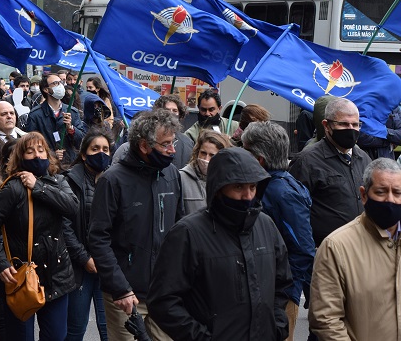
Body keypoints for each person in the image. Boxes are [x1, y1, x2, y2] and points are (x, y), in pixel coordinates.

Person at [146, 147, 292, 340]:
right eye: (238, 187)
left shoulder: (265, 225)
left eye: (252, 187)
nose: (248, 196)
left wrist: (276, 325)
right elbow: (163, 300)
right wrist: (202, 338)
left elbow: (282, 283)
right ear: (219, 188)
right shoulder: (188, 233)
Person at [88, 109, 183, 341]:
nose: (173, 150)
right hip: (126, 295)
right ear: (144, 145)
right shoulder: (113, 180)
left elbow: (180, 230)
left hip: (164, 293)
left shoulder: (172, 175)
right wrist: (120, 287)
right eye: (166, 144)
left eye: (174, 143)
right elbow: (98, 238)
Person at [0, 132, 78, 340]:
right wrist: (0, 262)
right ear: (20, 157)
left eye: (41, 150)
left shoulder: (59, 181)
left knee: (56, 336)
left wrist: (38, 187)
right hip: (22, 275)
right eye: (30, 151)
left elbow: (72, 207)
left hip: (56, 275)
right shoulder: (12, 188)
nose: (37, 156)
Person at [309, 157, 401, 340]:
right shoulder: (336, 247)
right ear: (364, 195)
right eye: (381, 192)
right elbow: (326, 319)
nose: (390, 199)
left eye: (397, 193)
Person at [241, 121, 315, 340]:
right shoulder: (265, 184)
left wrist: (285, 292)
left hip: (278, 298)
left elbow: (303, 249)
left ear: (259, 159)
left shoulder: (282, 192)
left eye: (245, 150)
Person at [288, 97, 371, 246]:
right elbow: (294, 214)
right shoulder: (307, 161)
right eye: (344, 124)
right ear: (326, 126)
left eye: (355, 124)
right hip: (324, 251)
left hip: (361, 248)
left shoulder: (364, 159)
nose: (351, 129)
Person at [63, 131, 111, 341]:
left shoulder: (115, 180)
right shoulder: (69, 181)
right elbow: (65, 226)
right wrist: (84, 258)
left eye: (106, 149)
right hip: (79, 268)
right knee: (75, 329)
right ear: (83, 154)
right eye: (95, 149)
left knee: (109, 329)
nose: (101, 153)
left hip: (108, 267)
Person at [112, 94, 193, 169]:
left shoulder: (187, 142)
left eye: (174, 111)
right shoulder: (126, 148)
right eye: (167, 110)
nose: (171, 113)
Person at [25, 73, 87, 166]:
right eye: (55, 83)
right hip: (47, 166)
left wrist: (71, 129)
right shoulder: (35, 115)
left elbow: (82, 141)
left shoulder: (72, 112)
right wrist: (52, 154)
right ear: (46, 89)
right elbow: (30, 144)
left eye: (61, 82)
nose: (60, 86)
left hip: (71, 165)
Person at [178, 129, 231, 214]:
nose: (206, 159)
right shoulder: (182, 178)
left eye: (212, 155)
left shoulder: (227, 181)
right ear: (197, 152)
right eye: (203, 153)